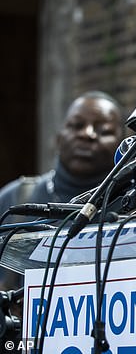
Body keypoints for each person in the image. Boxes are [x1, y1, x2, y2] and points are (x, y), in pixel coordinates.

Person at [0, 91, 123, 289]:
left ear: (122, 145)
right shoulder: (15, 199)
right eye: (77, 126)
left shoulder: (135, 205)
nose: (87, 134)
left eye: (103, 130)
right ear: (58, 139)